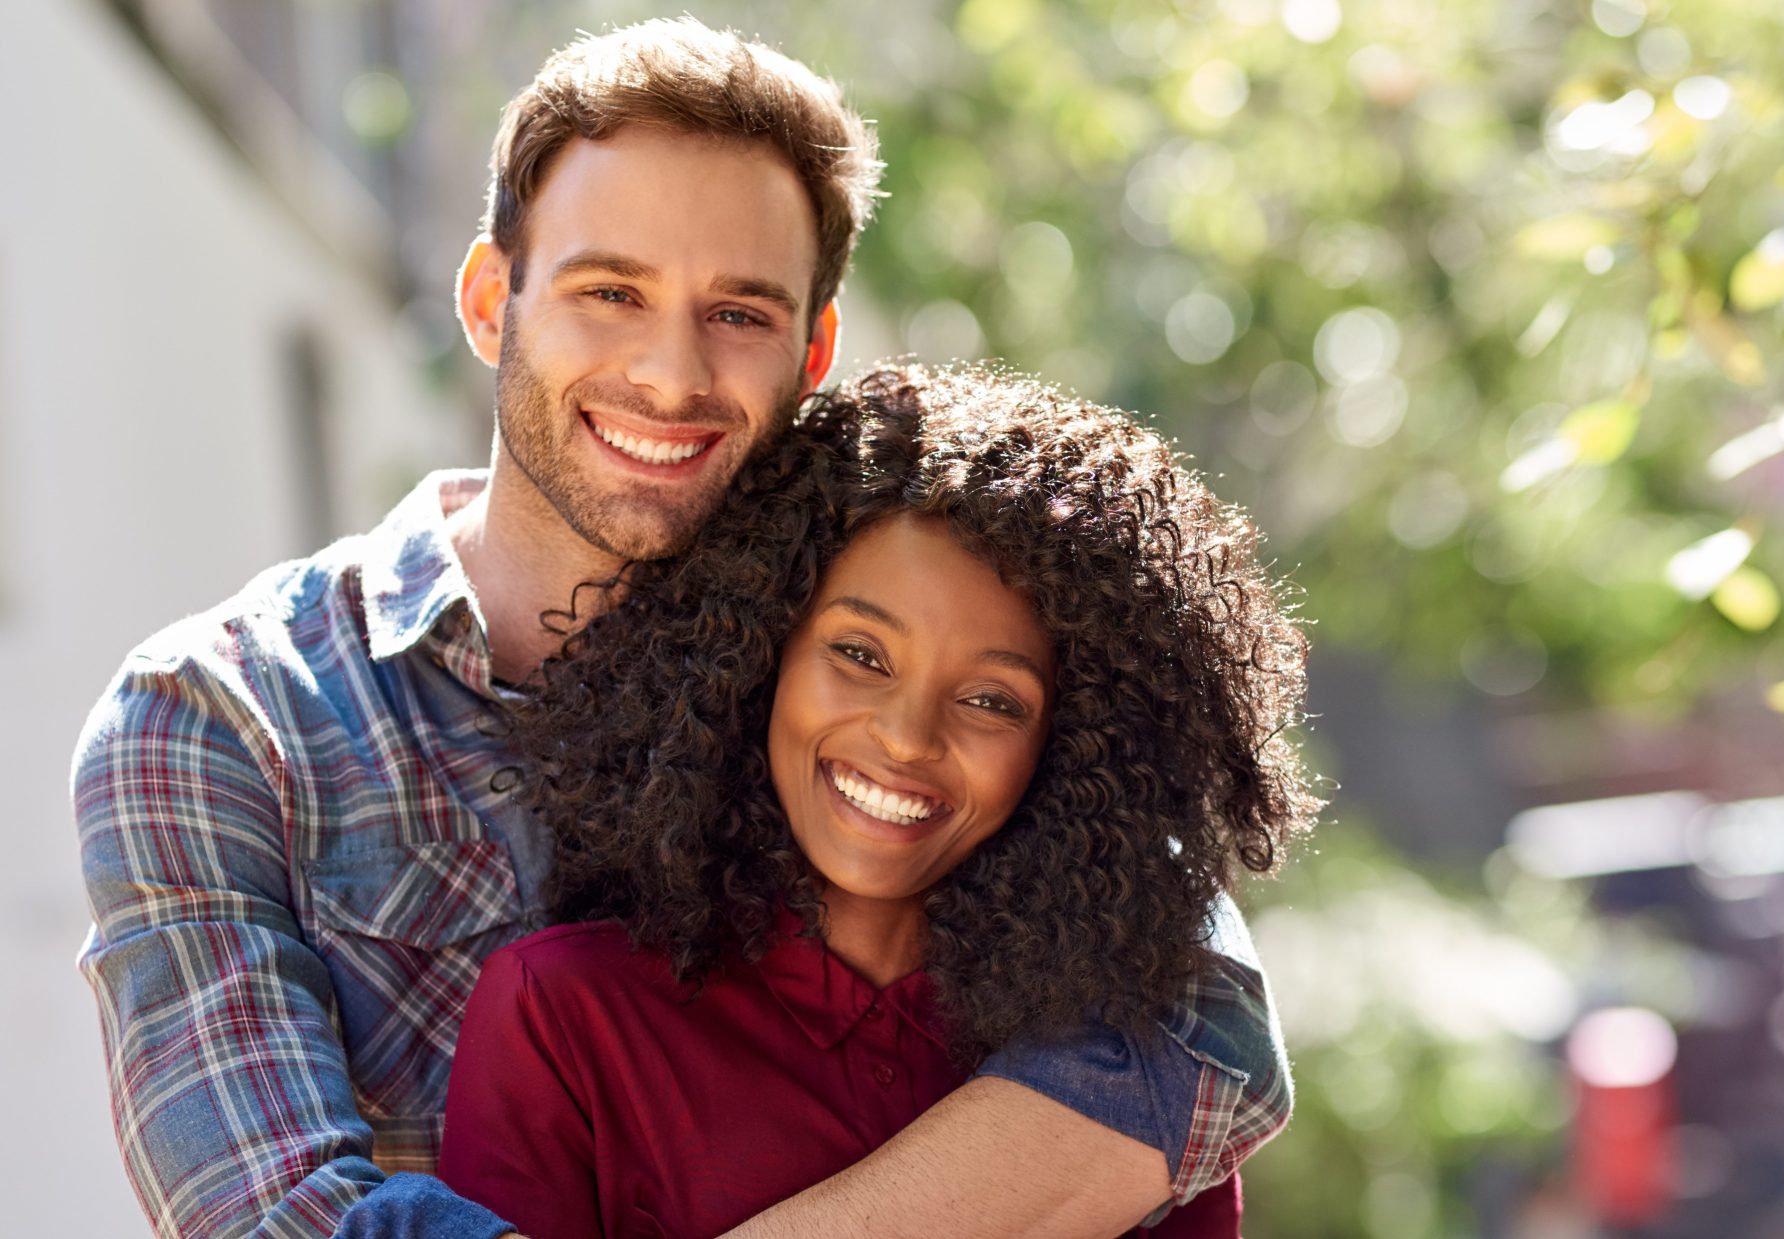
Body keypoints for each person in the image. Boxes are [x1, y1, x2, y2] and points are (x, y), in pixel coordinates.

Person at [72, 18, 1294, 1239]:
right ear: (492, 300)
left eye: (739, 314)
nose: (669, 373)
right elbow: (277, 1216)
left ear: (811, 350)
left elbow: (1197, 1022)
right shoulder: (226, 717)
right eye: (610, 291)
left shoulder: (855, 667)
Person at [435, 365, 1318, 1238]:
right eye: (860, 653)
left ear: (1075, 746)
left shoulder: (1130, 1077)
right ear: (760, 647)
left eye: (992, 701)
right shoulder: (561, 1016)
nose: (906, 737)